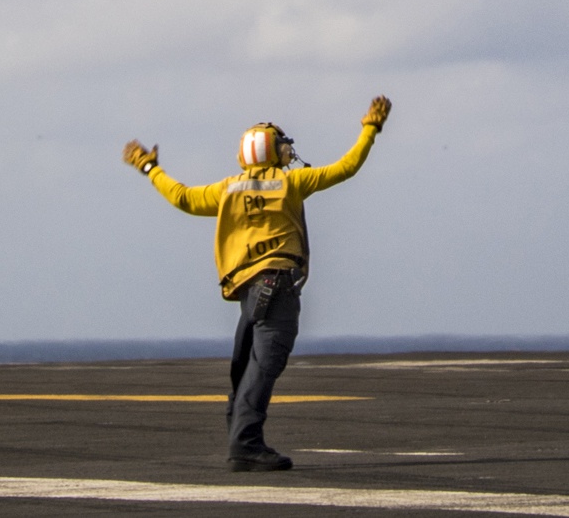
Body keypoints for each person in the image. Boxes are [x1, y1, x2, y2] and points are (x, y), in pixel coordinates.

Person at [123, 97, 391, 473]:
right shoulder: (290, 182)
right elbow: (347, 167)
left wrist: (150, 167)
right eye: (284, 145)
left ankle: (239, 434)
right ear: (272, 150)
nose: (289, 151)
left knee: (245, 367)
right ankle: (246, 444)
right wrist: (370, 128)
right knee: (264, 365)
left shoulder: (227, 190)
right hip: (277, 286)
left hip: (248, 291)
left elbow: (181, 197)